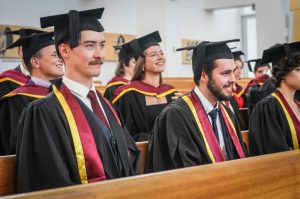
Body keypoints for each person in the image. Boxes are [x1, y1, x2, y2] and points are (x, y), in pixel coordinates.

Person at [15, 8, 140, 193]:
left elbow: (130, 161)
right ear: (64, 50)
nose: (99, 54)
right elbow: (49, 183)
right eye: (90, 45)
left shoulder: (108, 106)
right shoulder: (43, 113)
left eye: (102, 45)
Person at [146, 39, 247, 172]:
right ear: (204, 75)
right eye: (225, 73)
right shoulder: (176, 116)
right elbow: (181, 174)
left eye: (233, 72)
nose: (233, 79)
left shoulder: (227, 113)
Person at [0, 32, 64, 155]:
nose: (60, 59)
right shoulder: (16, 101)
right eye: (55, 55)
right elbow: (16, 146)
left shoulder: (64, 94)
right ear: (35, 62)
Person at [112, 31, 178, 142]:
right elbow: (125, 135)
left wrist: (184, 107)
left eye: (161, 53)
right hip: (143, 155)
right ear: (142, 64)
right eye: (153, 55)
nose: (160, 57)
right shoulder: (128, 95)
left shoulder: (171, 92)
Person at [249, 41, 300, 156]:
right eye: (298, 69)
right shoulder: (267, 108)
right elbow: (276, 155)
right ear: (282, 73)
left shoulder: (297, 104)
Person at [0, 29, 45, 98]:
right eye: (25, 49)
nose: (29, 54)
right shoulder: (5, 81)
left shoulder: (50, 80)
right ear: (19, 52)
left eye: (35, 51)